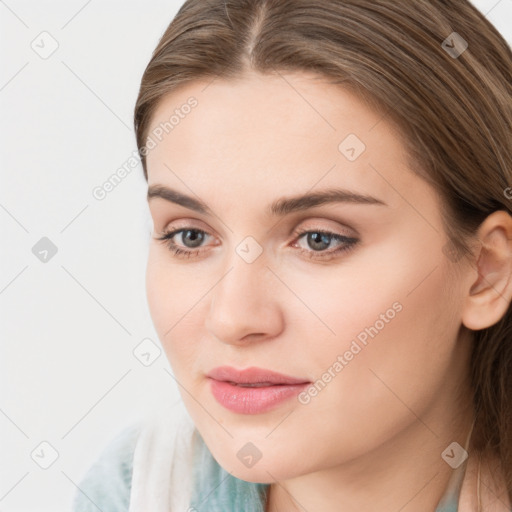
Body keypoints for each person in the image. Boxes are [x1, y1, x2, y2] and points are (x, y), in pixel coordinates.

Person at [73, 0, 512, 510]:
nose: (233, 319)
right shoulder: (137, 490)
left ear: (486, 272)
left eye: (319, 239)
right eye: (190, 236)